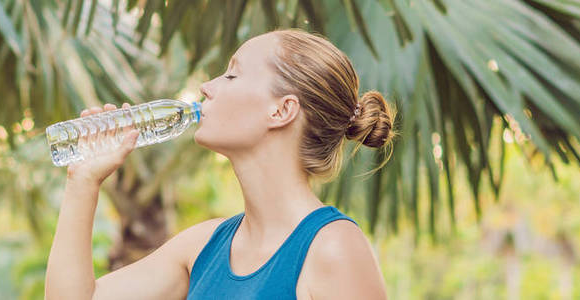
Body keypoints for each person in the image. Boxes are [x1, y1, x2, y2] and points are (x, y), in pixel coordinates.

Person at [45, 29, 393, 299]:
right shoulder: (203, 246)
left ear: (281, 110)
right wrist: (83, 181)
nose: (206, 86)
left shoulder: (333, 248)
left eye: (231, 75)